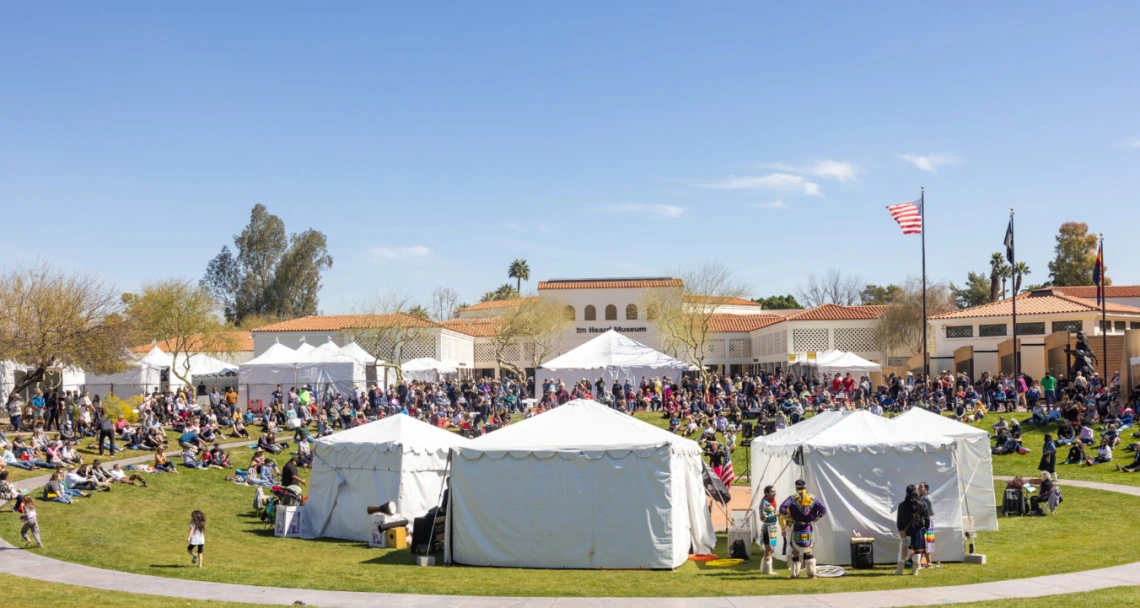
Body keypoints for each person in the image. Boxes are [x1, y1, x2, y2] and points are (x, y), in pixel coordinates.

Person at [778, 479, 827, 579]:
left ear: (796, 488)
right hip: (808, 527)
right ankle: (811, 574)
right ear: (805, 487)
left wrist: (789, 516)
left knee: (795, 550)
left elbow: (782, 509)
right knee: (809, 549)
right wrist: (815, 518)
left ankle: (794, 574)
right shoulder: (813, 498)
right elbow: (823, 509)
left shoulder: (792, 498)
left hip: (797, 526)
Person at [894, 484, 928, 576]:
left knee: (903, 551)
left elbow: (899, 520)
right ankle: (915, 571)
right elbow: (927, 519)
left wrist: (901, 530)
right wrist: (925, 529)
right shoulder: (923, 504)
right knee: (918, 551)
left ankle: (899, 571)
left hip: (906, 532)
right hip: (918, 532)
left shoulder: (902, 505)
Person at [759, 485, 779, 575]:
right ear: (766, 493)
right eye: (772, 492)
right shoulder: (764, 503)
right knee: (768, 549)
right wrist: (774, 515)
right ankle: (767, 570)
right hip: (767, 528)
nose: (774, 493)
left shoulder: (773, 502)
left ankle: (765, 569)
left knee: (771, 549)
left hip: (773, 528)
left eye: (774, 491)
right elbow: (762, 517)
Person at [918, 481, 939, 568]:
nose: (919, 489)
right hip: (921, 522)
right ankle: (922, 561)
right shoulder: (919, 498)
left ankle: (929, 562)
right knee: (922, 542)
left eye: (921, 487)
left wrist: (926, 521)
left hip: (928, 522)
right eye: (918, 487)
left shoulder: (927, 498)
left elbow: (932, 512)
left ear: (925, 489)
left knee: (928, 542)